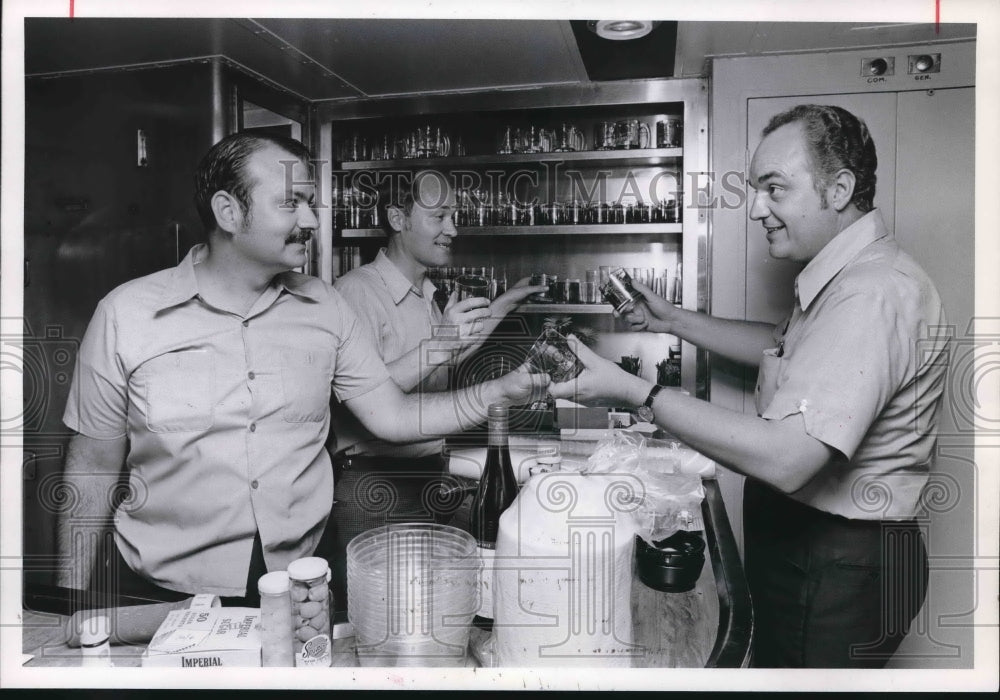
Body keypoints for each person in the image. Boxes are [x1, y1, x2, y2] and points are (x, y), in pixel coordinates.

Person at [56, 132, 546, 607]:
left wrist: (502, 391)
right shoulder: (126, 314)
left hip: (300, 585)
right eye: (290, 203)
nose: (311, 220)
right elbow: (92, 468)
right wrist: (67, 601)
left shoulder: (325, 306)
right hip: (160, 591)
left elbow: (393, 416)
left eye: (310, 203)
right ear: (228, 212)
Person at [549, 104, 948, 668]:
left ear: (839, 190)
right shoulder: (845, 277)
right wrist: (672, 320)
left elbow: (788, 459)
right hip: (818, 551)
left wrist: (637, 393)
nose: (757, 208)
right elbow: (783, 346)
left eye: (774, 189)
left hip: (841, 565)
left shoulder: (871, 292)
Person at [327, 173, 546, 607]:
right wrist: (441, 343)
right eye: (440, 217)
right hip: (374, 487)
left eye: (455, 216)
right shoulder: (356, 292)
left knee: (430, 614)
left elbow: (445, 356)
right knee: (380, 620)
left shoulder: (425, 292)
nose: (453, 229)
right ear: (397, 219)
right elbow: (364, 399)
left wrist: (505, 304)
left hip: (428, 475)